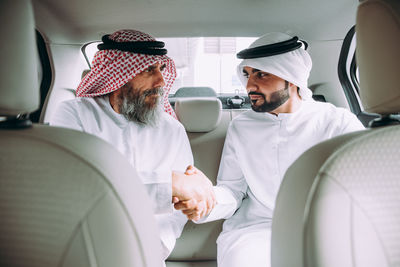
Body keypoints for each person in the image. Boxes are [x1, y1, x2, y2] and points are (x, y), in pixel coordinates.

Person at [174, 32, 365, 267]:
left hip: (319, 227)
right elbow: (232, 191)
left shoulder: (337, 123)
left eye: (261, 74)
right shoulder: (241, 126)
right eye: (247, 74)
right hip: (255, 230)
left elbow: (363, 190)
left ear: (291, 77)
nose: (249, 85)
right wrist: (206, 201)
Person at [50, 29, 215, 261]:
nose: (161, 80)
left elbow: (177, 211)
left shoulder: (172, 129)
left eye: (162, 68)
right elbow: (74, 188)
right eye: (149, 70)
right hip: (86, 243)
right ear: (118, 74)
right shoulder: (74, 114)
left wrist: (151, 242)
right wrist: (170, 185)